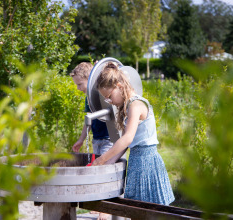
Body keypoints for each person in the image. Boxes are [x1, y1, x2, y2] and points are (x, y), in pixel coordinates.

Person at [92, 62, 175, 206]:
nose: (109, 101)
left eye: (109, 96)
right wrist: (109, 162)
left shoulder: (135, 105)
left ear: (119, 86)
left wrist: (102, 158)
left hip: (147, 163)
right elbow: (126, 144)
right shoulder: (128, 106)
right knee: (137, 209)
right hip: (137, 162)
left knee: (150, 210)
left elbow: (127, 138)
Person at [70, 62, 113, 220]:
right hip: (97, 139)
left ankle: (107, 208)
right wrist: (81, 139)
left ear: (90, 78)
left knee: (106, 171)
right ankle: (98, 204)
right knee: (97, 171)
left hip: (109, 138)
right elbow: (87, 121)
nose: (78, 88)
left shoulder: (102, 93)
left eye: (79, 84)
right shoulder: (89, 97)